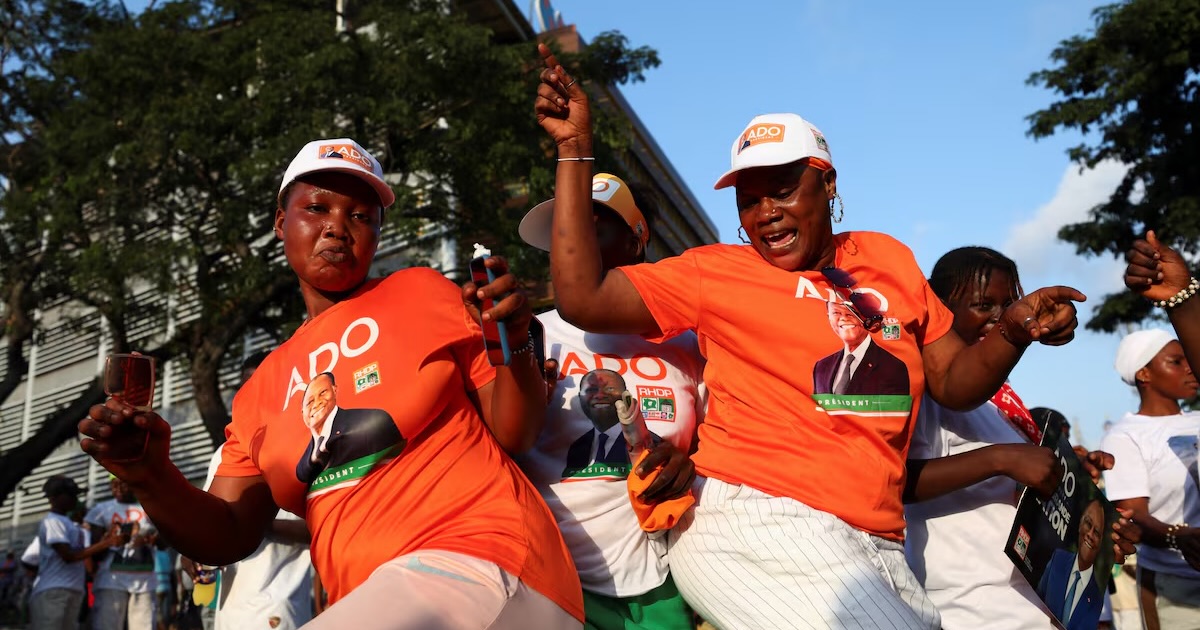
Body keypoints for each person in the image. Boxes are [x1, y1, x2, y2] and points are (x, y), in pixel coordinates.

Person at [533, 43, 1086, 628]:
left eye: (784, 189)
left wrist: (1016, 330)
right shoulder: (717, 272)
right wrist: (575, 150)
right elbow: (584, 297)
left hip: (877, 540)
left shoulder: (888, 259)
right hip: (755, 520)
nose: (765, 211)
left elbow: (953, 381)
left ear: (827, 184)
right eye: (750, 199)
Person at [79, 137, 583, 628]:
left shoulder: (422, 292)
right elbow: (227, 534)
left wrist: (515, 345)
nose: (338, 227)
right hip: (372, 597)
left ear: (377, 234)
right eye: (317, 208)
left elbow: (514, 433)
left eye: (360, 216)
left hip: (487, 561)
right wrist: (149, 473)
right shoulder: (262, 387)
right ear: (282, 223)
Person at [903, 246, 1137, 629]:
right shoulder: (924, 390)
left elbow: (1025, 494)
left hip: (1034, 607)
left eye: (1010, 304)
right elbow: (893, 478)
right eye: (984, 305)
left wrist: (1078, 490)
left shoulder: (1000, 401)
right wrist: (1000, 458)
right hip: (973, 609)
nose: (1002, 317)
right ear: (938, 311)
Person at [516, 173, 704, 629]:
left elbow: (720, 448)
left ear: (637, 239)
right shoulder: (531, 337)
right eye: (564, 234)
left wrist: (693, 466)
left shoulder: (688, 343)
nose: (572, 247)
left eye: (592, 229)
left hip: (666, 585)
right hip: (554, 585)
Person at [1099, 326, 1200, 626]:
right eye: (1176, 362)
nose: (1190, 368)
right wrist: (1178, 536)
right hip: (1175, 585)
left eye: (1189, 359)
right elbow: (1133, 515)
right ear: (1144, 374)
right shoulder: (1125, 437)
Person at [29, 475, 118, 630]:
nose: (75, 499)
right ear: (54, 497)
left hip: (73, 589)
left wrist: (104, 540)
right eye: (71, 495)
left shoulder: (71, 525)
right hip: (53, 591)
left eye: (76, 494)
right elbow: (68, 556)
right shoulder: (52, 521)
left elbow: (84, 557)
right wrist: (106, 544)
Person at [293, 371, 401, 486]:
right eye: (310, 402)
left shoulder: (373, 421)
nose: (317, 403)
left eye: (323, 393)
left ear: (334, 391)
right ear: (302, 412)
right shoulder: (301, 467)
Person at [86, 475, 158, 630]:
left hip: (144, 581)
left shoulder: (149, 508)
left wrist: (149, 540)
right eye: (113, 485)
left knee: (144, 626)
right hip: (110, 581)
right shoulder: (101, 510)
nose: (117, 489)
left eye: (122, 484)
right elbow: (93, 551)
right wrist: (109, 540)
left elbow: (164, 543)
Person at [812, 300, 909, 395]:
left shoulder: (893, 367)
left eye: (853, 312)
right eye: (836, 312)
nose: (844, 318)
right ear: (829, 316)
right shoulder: (821, 366)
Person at [1037, 498, 1107, 630]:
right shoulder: (1058, 560)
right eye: (1088, 523)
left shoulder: (1097, 597)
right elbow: (1037, 597)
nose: (1090, 534)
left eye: (1097, 532)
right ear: (1080, 525)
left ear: (1100, 543)